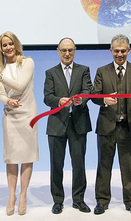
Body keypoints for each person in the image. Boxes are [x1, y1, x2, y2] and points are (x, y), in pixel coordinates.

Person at [91, 34, 131, 216]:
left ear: (128, 51)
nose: (120, 54)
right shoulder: (101, 71)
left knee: (129, 166)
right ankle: (102, 201)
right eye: (116, 51)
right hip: (106, 126)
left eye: (123, 51)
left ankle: (130, 201)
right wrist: (104, 100)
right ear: (111, 51)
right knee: (104, 165)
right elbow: (94, 95)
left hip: (129, 127)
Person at [0, 31, 38, 216]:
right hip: (11, 115)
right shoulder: (0, 69)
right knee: (11, 157)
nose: (7, 47)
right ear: (0, 48)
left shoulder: (27, 62)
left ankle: (23, 195)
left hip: (28, 114)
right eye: (4, 45)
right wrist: (7, 101)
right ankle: (11, 196)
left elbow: (20, 85)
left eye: (10, 44)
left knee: (26, 155)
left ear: (16, 44)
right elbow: (1, 94)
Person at [43, 37, 92, 215]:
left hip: (79, 123)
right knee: (56, 165)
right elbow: (47, 97)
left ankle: (78, 199)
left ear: (75, 50)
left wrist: (81, 100)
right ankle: (57, 200)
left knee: (79, 164)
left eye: (70, 50)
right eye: (63, 50)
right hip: (57, 124)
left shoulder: (84, 70)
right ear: (58, 51)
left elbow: (88, 91)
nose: (67, 53)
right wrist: (59, 101)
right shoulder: (51, 73)